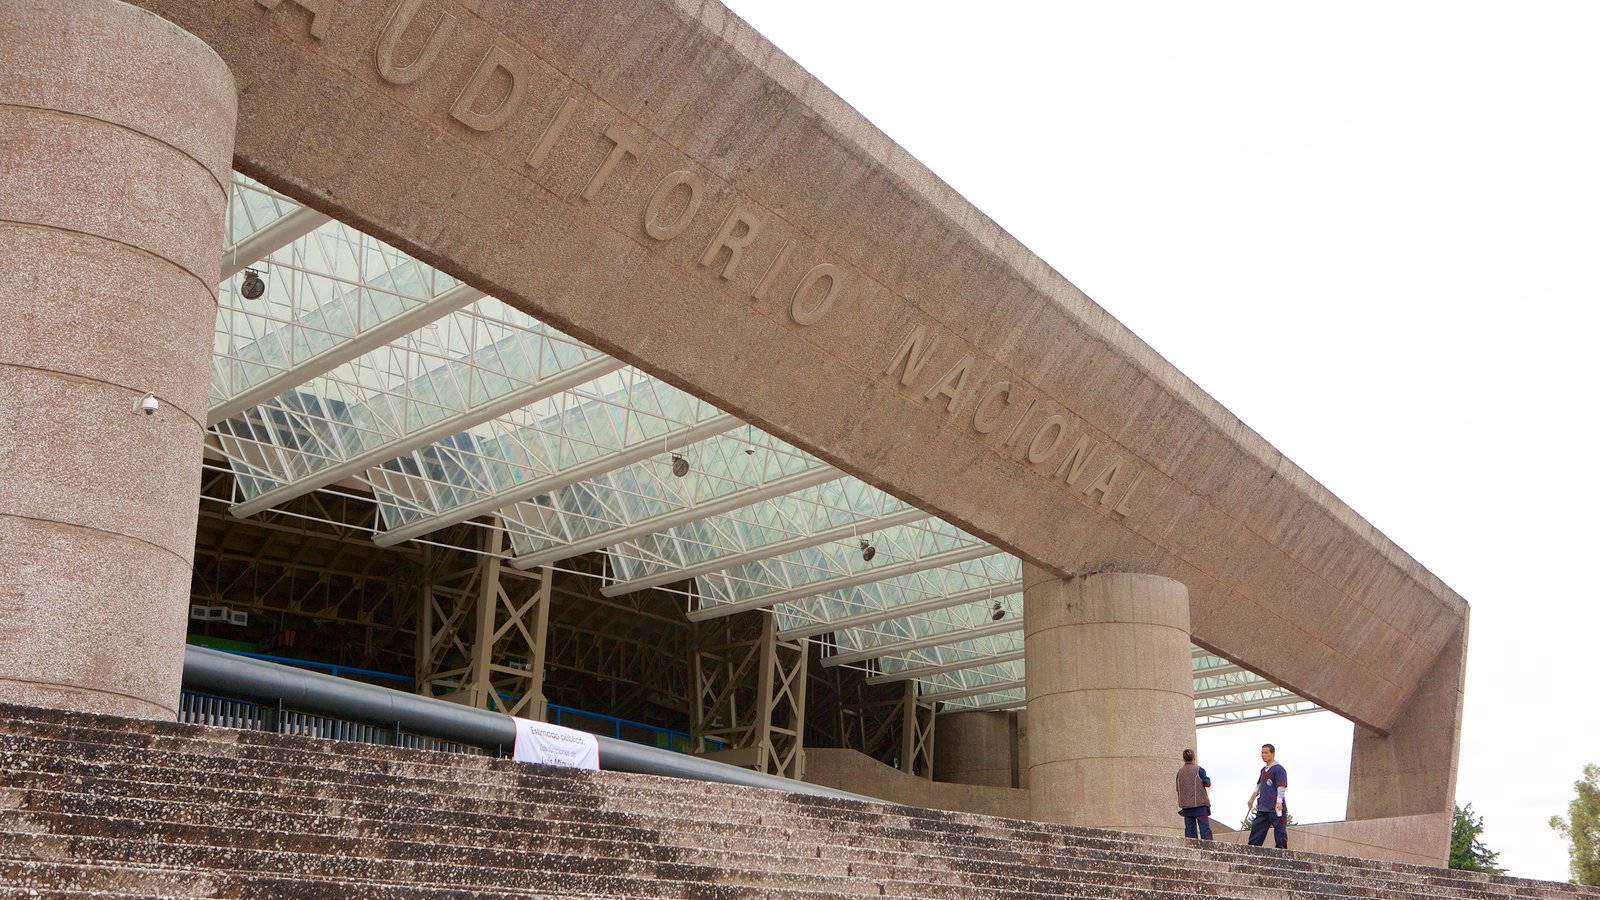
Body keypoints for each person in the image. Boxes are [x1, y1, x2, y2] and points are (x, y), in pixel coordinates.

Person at [1245, 743, 1289, 849]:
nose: (1263, 755)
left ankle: (1282, 852)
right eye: (1262, 753)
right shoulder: (1263, 770)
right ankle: (1252, 850)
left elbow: (1281, 786)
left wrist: (1279, 801)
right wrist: (1252, 798)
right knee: (1257, 829)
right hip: (1263, 806)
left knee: (1280, 831)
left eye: (1266, 753)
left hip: (1275, 806)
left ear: (1272, 754)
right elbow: (1259, 785)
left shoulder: (1279, 769)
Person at [1175, 748, 1213, 840]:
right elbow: (1207, 784)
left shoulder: (1179, 773)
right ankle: (1208, 847)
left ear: (1183, 759)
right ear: (1194, 758)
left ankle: (1191, 849)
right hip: (1200, 806)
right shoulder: (1199, 770)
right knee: (1204, 830)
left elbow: (1177, 788)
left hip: (1187, 807)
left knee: (1190, 831)